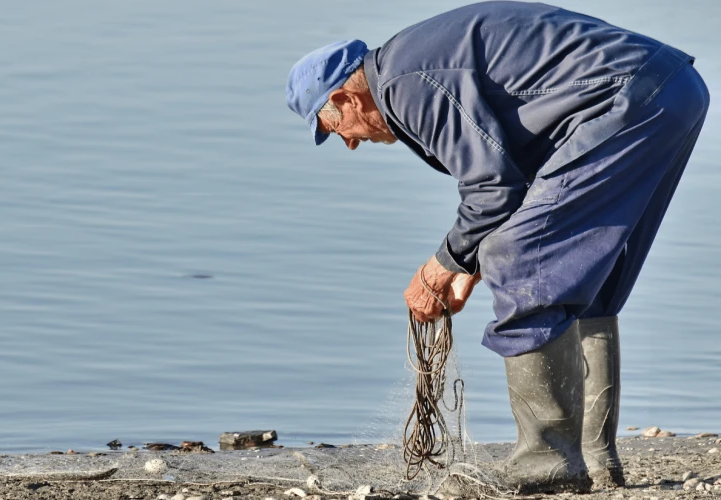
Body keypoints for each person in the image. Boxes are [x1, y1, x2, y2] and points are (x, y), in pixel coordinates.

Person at [286, 1, 709, 494]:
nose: (350, 144)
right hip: (674, 90)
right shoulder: (410, 63)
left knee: (523, 260)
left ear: (347, 98)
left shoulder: (404, 84)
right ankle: (595, 460)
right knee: (587, 270)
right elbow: (523, 185)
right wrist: (471, 264)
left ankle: (547, 462)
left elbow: (492, 189)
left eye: (335, 129)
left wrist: (440, 266)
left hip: (627, 101)